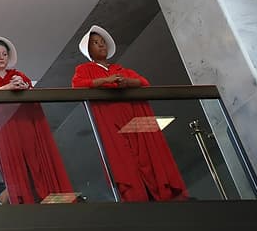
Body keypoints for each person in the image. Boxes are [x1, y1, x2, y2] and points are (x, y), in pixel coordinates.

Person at [72, 25, 187, 202]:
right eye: (95, 43)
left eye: (102, 42)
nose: (101, 45)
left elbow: (144, 82)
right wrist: (106, 81)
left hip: (133, 120)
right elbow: (77, 85)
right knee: (123, 161)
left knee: (146, 155)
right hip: (110, 122)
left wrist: (126, 82)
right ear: (89, 50)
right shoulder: (85, 69)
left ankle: (160, 193)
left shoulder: (120, 69)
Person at [0, 36, 75, 204]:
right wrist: (9, 87)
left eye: (4, 54)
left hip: (24, 124)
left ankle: (45, 196)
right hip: (5, 128)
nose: (1, 58)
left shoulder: (18, 75)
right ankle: (21, 200)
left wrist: (23, 86)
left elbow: (31, 94)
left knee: (35, 159)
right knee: (14, 165)